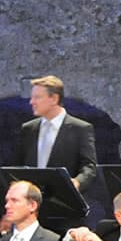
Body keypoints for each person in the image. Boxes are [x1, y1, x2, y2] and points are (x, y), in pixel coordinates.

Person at [16, 74, 98, 207]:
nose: (31, 102)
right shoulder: (28, 129)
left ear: (54, 98)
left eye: (37, 97)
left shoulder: (80, 128)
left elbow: (89, 166)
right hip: (32, 206)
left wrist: (77, 182)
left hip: (65, 205)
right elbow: (19, 165)